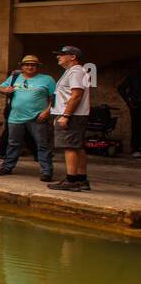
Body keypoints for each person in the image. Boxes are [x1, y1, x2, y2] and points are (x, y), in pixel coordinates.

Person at [0, 55, 55, 181]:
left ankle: (46, 171)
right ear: (22, 67)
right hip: (15, 117)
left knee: (42, 145)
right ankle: (7, 167)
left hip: (37, 117)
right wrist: (5, 89)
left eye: (33, 65)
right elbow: (0, 87)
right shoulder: (14, 77)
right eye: (27, 65)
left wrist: (47, 111)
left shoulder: (47, 79)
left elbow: (55, 98)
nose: (29, 67)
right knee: (13, 143)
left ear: (37, 67)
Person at [48, 46, 92, 192]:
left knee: (70, 147)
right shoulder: (73, 71)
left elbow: (76, 95)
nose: (58, 57)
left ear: (72, 57)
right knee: (77, 146)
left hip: (72, 115)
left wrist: (65, 115)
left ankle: (71, 180)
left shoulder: (76, 71)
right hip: (73, 115)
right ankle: (81, 179)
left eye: (62, 55)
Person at [118, 59, 141, 159]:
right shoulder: (133, 77)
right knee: (136, 126)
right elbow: (121, 88)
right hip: (136, 105)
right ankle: (136, 149)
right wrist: (129, 101)